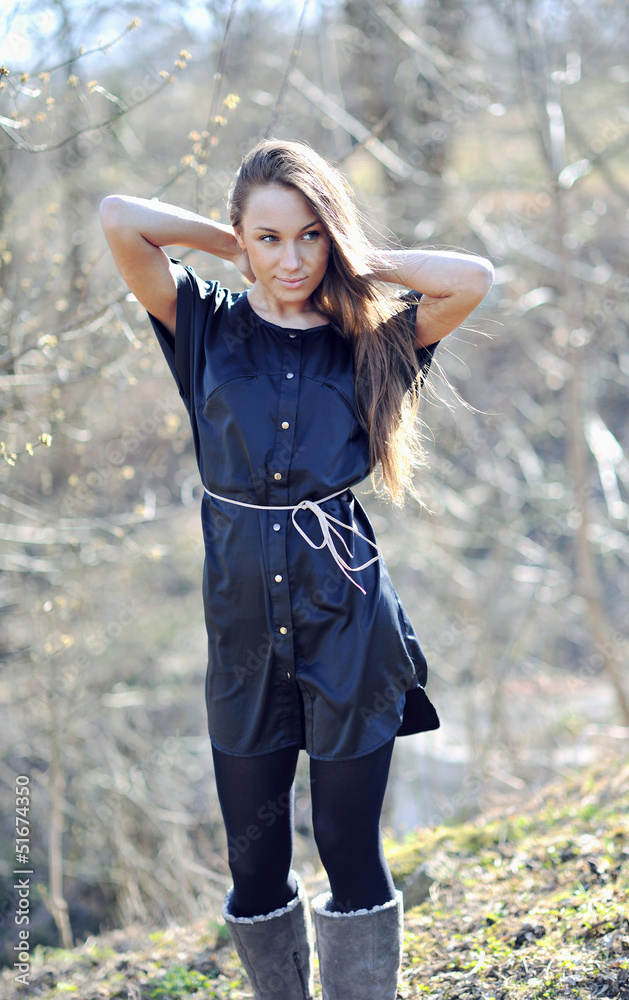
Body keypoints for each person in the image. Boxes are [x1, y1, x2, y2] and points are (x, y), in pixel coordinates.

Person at [100, 139, 493, 1000]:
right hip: (242, 635)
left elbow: (471, 278)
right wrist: (229, 243)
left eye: (311, 236)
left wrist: (357, 256)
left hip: (349, 626)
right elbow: (120, 218)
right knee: (254, 866)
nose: (292, 260)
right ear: (243, 237)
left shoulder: (373, 340)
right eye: (270, 238)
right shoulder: (203, 323)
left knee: (350, 851)